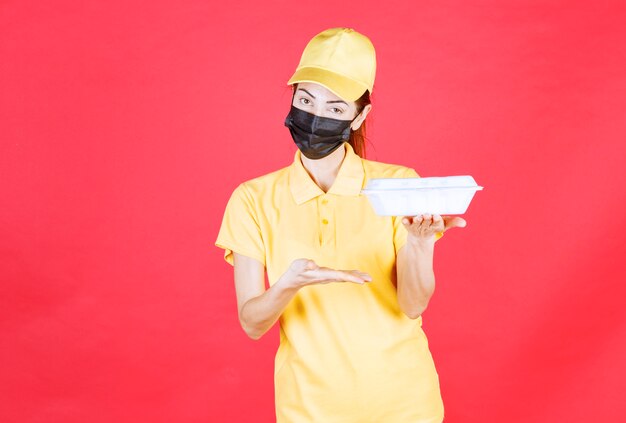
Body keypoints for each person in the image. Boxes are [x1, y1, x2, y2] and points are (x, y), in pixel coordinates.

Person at [215, 27, 467, 423]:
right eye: (306, 99)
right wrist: (287, 284)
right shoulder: (252, 198)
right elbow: (251, 323)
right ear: (293, 96)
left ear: (360, 115)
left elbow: (413, 305)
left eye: (335, 108)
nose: (315, 115)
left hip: (405, 406)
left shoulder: (400, 185)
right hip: (308, 410)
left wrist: (420, 244)